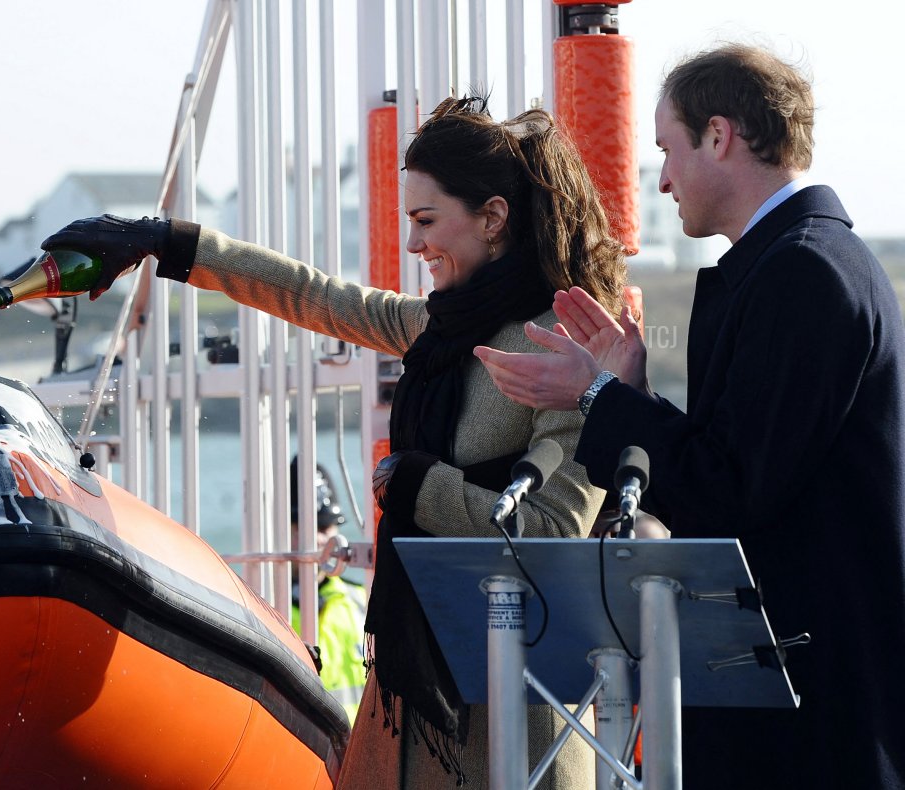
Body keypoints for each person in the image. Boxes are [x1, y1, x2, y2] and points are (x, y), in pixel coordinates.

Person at [41, 96, 630, 789]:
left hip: (515, 720)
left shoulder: (566, 347)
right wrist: (162, 242)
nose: (413, 245)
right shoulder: (441, 327)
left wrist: (421, 488)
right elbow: (315, 296)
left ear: (494, 218)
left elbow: (554, 530)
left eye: (426, 220)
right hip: (407, 705)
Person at [474, 43, 905, 789]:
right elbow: (744, 460)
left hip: (805, 717)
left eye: (669, 149)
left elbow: (730, 486)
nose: (663, 179)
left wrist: (597, 399)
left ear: (720, 135)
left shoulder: (804, 273)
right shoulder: (808, 262)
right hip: (794, 698)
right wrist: (630, 390)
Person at [288, 458, 368, 726]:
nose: (315, 540)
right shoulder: (265, 607)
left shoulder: (364, 601)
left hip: (362, 757)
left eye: (323, 529)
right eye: (299, 527)